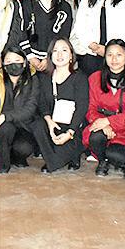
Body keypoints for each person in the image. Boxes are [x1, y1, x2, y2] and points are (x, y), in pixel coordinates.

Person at [82, 39, 125, 176]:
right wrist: (103, 124)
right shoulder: (95, 78)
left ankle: (109, 156)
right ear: (105, 57)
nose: (114, 59)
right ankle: (102, 161)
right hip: (99, 125)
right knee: (96, 138)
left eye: (119, 55)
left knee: (116, 155)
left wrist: (109, 122)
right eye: (110, 54)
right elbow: (90, 107)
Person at [0, 46, 38, 173]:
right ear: (3, 65)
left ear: (24, 62)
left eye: (17, 60)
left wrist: (5, 116)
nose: (13, 64)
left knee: (24, 148)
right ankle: (3, 164)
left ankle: (17, 157)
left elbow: (30, 108)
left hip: (24, 125)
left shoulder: (33, 80)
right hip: (1, 128)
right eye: (8, 61)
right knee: (5, 128)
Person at [32, 39, 89, 173]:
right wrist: (49, 121)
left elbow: (82, 107)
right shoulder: (44, 78)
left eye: (64, 50)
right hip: (52, 125)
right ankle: (55, 159)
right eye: (55, 51)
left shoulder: (79, 78)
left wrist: (70, 132)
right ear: (50, 56)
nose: (59, 54)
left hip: (72, 128)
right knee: (37, 124)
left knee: (61, 155)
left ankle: (56, 159)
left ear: (71, 56)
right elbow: (42, 103)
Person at [22, 0, 73, 74]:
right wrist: (31, 57)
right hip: (30, 59)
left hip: (55, 59)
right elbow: (21, 30)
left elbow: (64, 34)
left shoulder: (64, 6)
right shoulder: (28, 2)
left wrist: (48, 58)